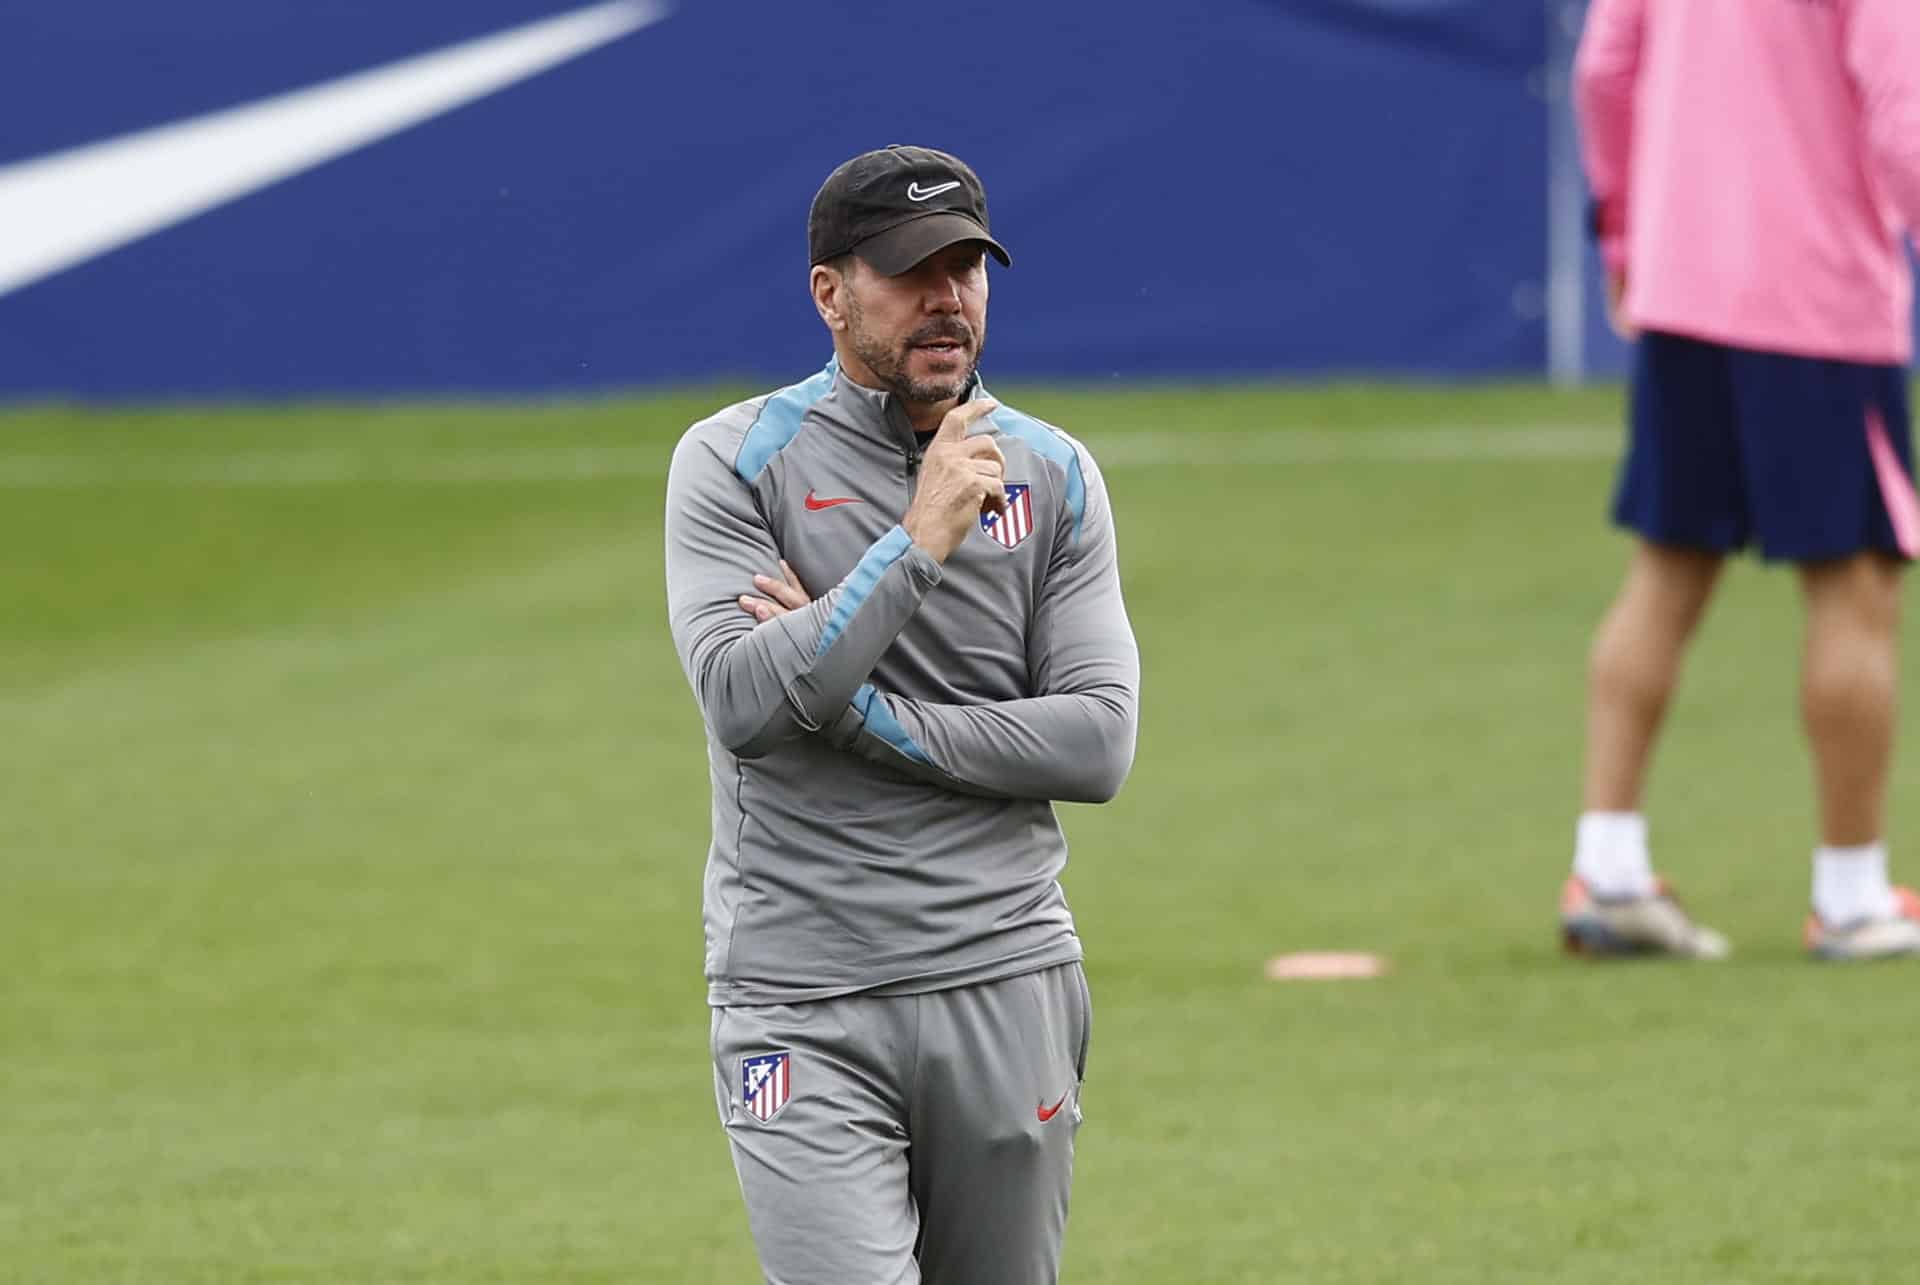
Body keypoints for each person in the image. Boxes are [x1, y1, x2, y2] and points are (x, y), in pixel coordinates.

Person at [662, 144, 1140, 1283]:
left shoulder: (1053, 471)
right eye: (913, 270)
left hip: (1004, 974)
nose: (949, 297)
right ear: (831, 293)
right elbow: (741, 697)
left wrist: (852, 703)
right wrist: (917, 539)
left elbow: (1096, 739)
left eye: (969, 266)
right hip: (801, 993)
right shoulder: (736, 462)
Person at [1562, 0, 1920, 961]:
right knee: (1855, 581)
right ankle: (1851, 894)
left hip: (1684, 286)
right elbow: (1903, 106)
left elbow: (1604, 68)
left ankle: (1609, 871)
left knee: (1668, 569)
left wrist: (1630, 237)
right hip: (1818, 294)